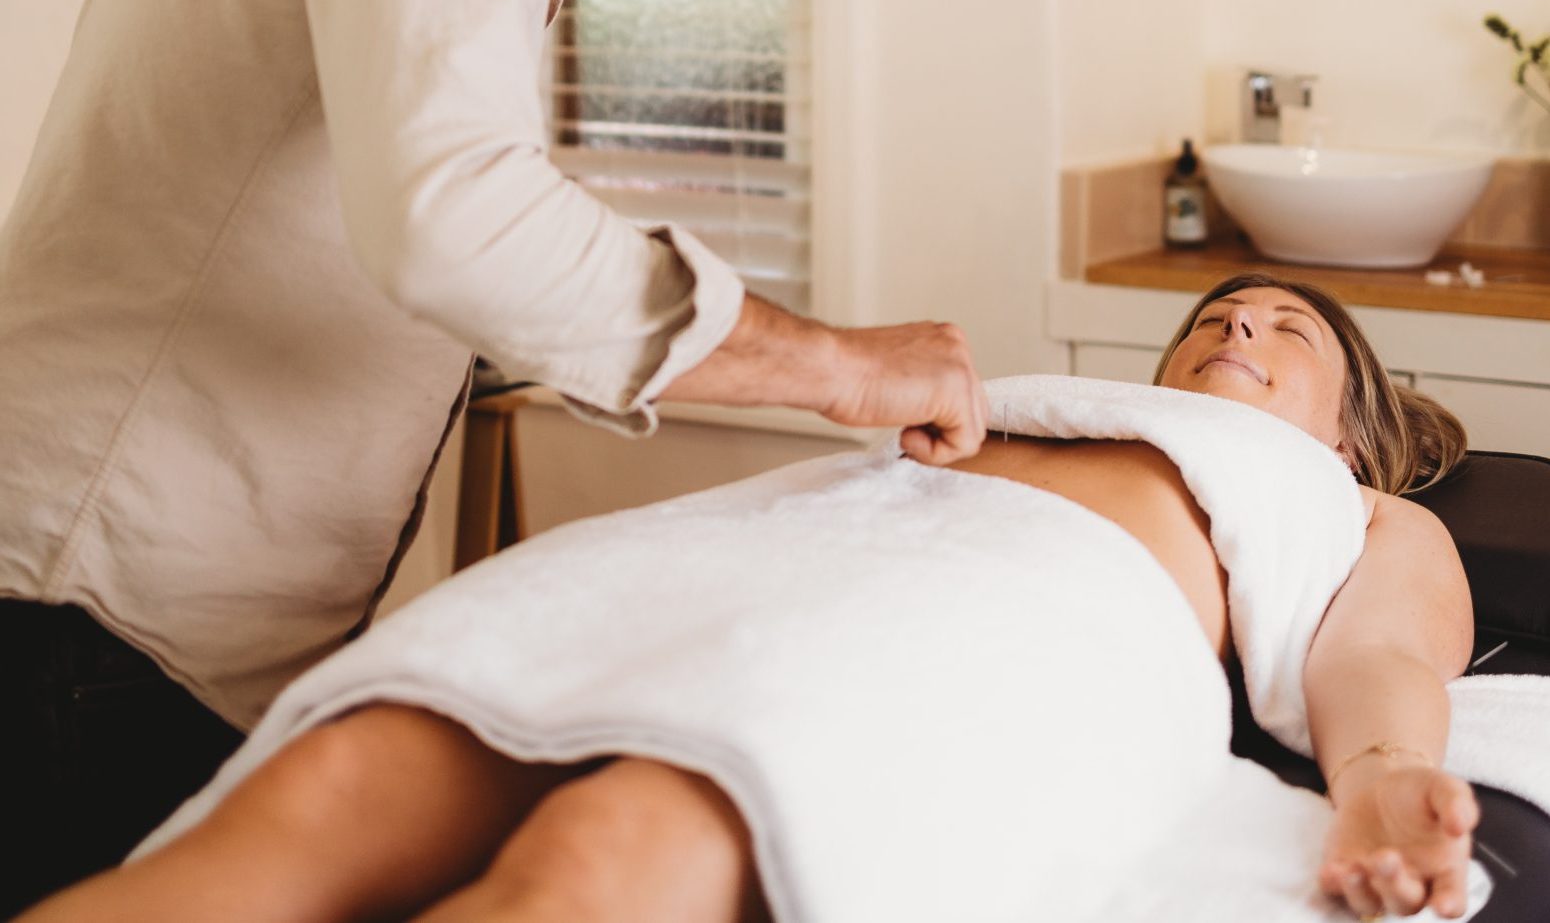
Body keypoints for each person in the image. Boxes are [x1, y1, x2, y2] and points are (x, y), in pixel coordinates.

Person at [0, 0, 988, 915]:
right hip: (90, 603)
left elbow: (407, 212)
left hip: (164, 631)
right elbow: (451, 214)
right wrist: (834, 367)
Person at [15, 273, 1495, 923]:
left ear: (1350, 426)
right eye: (1212, 320)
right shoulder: (1057, 402)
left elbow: (1375, 660)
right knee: (320, 794)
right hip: (769, 547)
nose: (1236, 324)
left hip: (1004, 627)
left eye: (1284, 329)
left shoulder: (1349, 505)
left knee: (603, 855)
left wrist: (1381, 781)